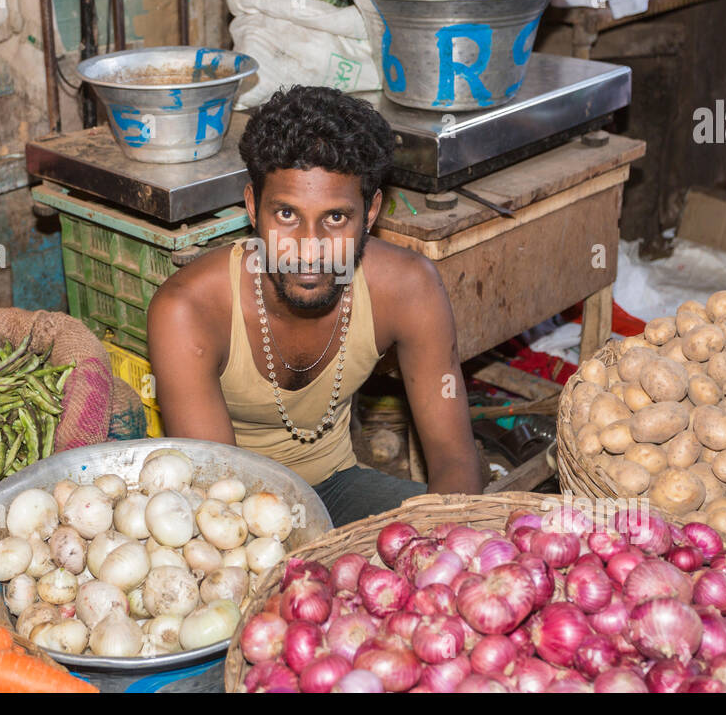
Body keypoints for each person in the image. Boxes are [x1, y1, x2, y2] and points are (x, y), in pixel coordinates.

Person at [147, 86, 484, 526]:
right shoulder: (188, 310)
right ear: (253, 207)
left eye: (336, 218)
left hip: (337, 486)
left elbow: (456, 463)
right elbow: (218, 505)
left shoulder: (408, 288)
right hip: (238, 515)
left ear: (372, 212)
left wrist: (439, 550)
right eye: (287, 215)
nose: (310, 249)